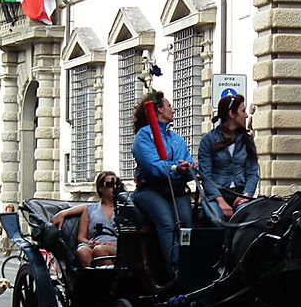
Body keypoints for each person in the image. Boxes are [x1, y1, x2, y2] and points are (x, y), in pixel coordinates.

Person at [131, 90, 193, 272]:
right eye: (169, 106)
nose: (172, 110)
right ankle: (174, 270)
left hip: (175, 188)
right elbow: (152, 166)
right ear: (158, 109)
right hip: (150, 190)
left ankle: (188, 264)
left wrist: (188, 169)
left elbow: (186, 161)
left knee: (186, 225)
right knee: (167, 223)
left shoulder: (176, 139)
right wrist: (176, 168)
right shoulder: (144, 136)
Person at [197, 93, 259, 222]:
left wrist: (246, 195)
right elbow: (206, 177)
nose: (246, 115)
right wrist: (221, 202)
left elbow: (253, 172)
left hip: (240, 194)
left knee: (247, 219)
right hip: (216, 196)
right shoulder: (208, 140)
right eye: (243, 111)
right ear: (232, 114)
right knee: (217, 219)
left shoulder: (247, 140)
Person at [51, 171, 121, 268]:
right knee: (82, 251)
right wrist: (89, 242)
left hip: (115, 245)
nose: (114, 187)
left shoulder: (123, 208)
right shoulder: (90, 209)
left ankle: (110, 281)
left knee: (100, 250)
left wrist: (114, 243)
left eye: (116, 184)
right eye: (109, 184)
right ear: (100, 188)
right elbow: (81, 237)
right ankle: (87, 281)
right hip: (93, 243)